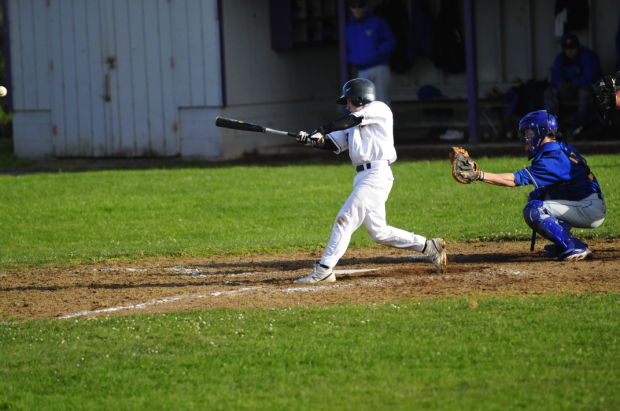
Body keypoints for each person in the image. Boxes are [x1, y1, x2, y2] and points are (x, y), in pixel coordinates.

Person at [293, 78, 447, 283]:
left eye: (348, 101)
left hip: (377, 174)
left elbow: (351, 120)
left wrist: (321, 128)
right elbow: (332, 144)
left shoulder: (378, 109)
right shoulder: (351, 123)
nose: (346, 106)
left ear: (360, 96)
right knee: (378, 232)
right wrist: (311, 141)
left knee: (345, 219)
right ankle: (429, 246)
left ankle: (324, 270)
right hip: (362, 177)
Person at [467, 110, 606, 261]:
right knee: (539, 195)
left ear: (541, 131)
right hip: (586, 203)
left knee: (535, 210)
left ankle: (573, 246)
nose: (526, 137)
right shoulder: (559, 148)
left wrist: (479, 175)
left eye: (529, 132)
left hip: (588, 209)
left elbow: (514, 180)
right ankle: (564, 243)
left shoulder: (554, 157)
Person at [543, 32, 602, 137]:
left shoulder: (587, 56)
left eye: (572, 47)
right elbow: (554, 77)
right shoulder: (561, 58)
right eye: (566, 48)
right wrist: (562, 84)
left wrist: (573, 83)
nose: (569, 51)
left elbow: (591, 77)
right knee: (550, 92)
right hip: (568, 89)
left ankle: (578, 127)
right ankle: (551, 127)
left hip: (584, 89)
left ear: (577, 46)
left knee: (585, 93)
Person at [346, 0, 396, 105]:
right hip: (361, 70)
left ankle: (385, 122)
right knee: (364, 104)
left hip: (379, 67)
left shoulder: (377, 22)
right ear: (350, 8)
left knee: (382, 102)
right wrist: (352, 58)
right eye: (353, 6)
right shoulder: (349, 28)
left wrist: (377, 53)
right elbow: (347, 47)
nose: (357, 9)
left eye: (360, 6)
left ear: (365, 7)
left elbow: (390, 41)